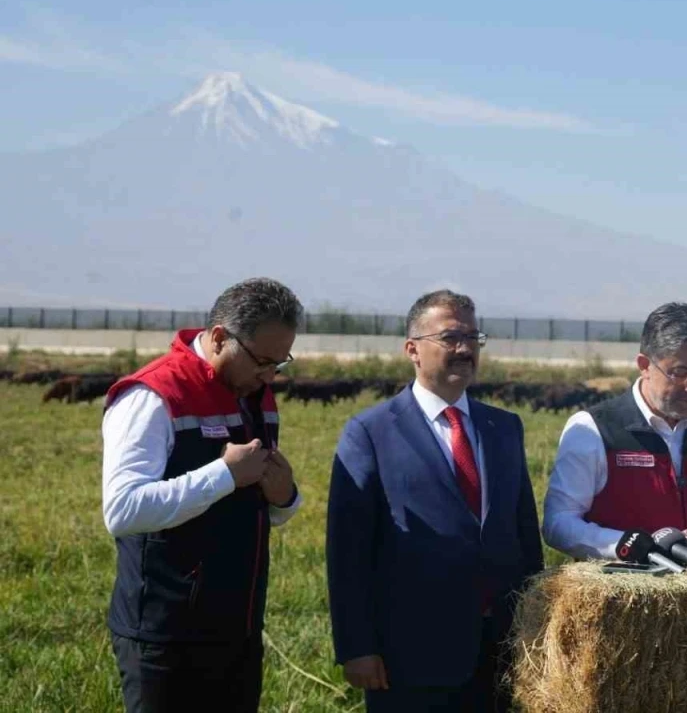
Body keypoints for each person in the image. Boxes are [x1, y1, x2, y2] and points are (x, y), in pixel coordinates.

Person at [326, 289, 543, 712]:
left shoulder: (504, 428)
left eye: (473, 338)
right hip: (410, 653)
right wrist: (356, 646)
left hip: (499, 648)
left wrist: (534, 627)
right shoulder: (371, 432)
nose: (464, 349)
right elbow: (347, 550)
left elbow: (523, 535)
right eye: (450, 338)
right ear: (413, 349)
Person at [101, 277, 304, 713]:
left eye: (279, 363)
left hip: (239, 630)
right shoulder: (153, 395)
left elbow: (251, 505)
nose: (269, 376)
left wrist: (285, 498)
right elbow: (123, 509)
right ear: (218, 338)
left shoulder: (255, 394)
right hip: (166, 636)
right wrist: (224, 475)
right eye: (262, 361)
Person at [542, 301, 687, 559]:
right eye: (679, 372)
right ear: (644, 365)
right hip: (621, 590)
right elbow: (559, 523)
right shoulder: (595, 429)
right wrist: (629, 547)